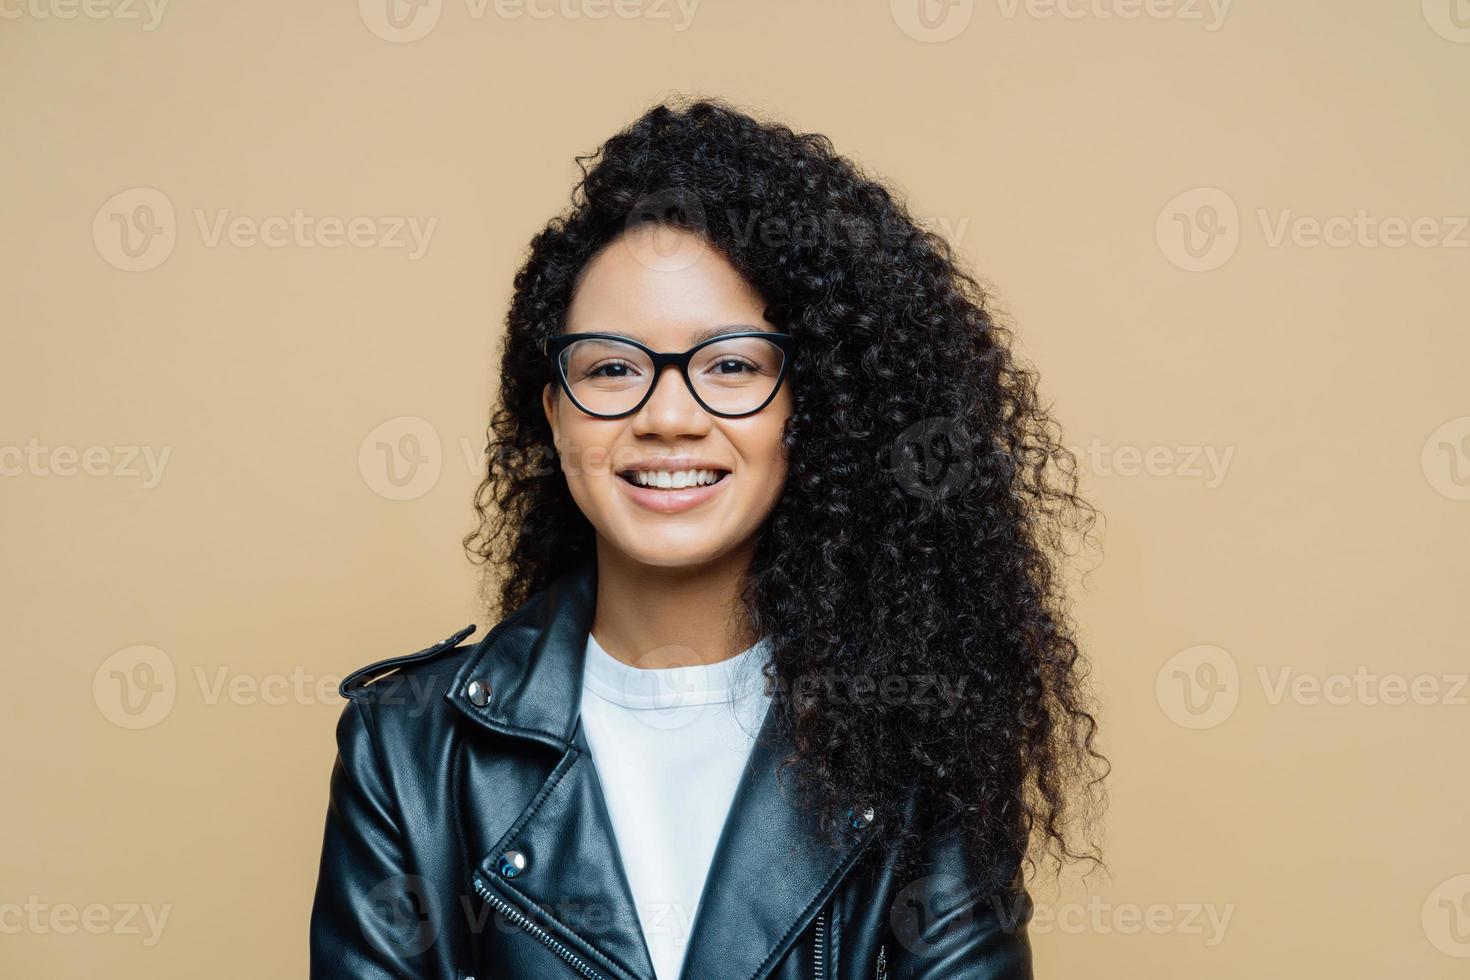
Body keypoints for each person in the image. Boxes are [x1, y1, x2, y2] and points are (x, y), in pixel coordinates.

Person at [310, 96, 1105, 979]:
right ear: (555, 415)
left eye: (731, 365)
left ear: (813, 411)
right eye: (612, 368)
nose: (668, 416)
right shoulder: (410, 748)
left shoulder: (920, 745)